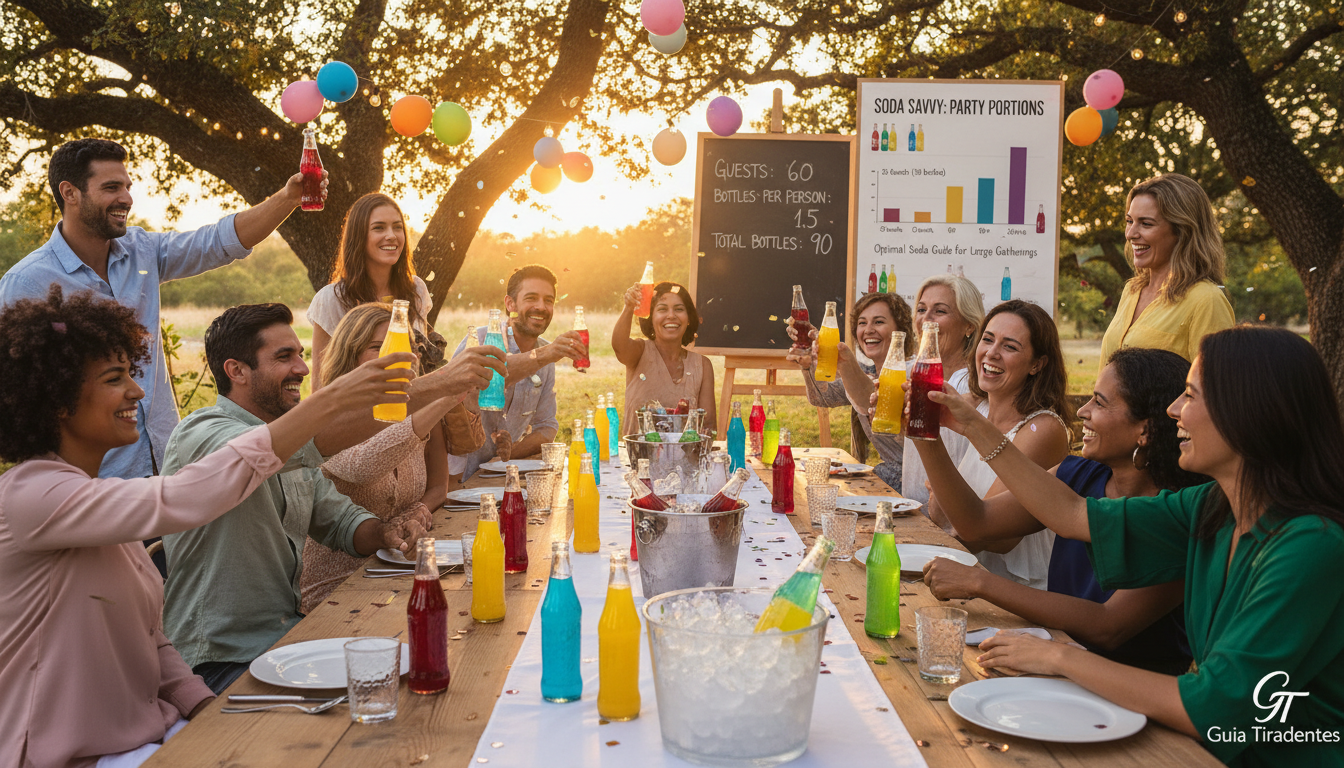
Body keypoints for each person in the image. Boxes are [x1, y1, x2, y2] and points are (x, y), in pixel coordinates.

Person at [0, 286, 411, 768]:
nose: (136, 391)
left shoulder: (95, 499)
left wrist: (203, 709)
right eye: (116, 379)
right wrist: (333, 399)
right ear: (58, 401)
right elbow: (188, 495)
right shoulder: (31, 496)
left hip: (157, 733)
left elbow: (152, 638)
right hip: (76, 755)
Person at [951, 327, 1344, 767]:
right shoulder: (1211, 507)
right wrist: (969, 424)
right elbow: (1072, 515)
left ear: (1250, 411)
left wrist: (1058, 657)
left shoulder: (1312, 546)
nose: (1174, 410)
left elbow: (1211, 707)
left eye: (1191, 397)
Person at [0, 137, 328, 480]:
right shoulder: (27, 283)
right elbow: (15, 395)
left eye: (127, 186)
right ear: (69, 193)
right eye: (111, 187)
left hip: (168, 463)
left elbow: (218, 242)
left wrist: (290, 197)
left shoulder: (142, 250)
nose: (126, 198)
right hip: (89, 481)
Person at [160, 303, 434, 695]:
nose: (303, 369)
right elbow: (274, 451)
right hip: (218, 662)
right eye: (284, 357)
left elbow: (342, 522)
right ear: (236, 371)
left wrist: (387, 532)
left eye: (301, 354)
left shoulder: (287, 438)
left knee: (409, 666)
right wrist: (436, 387)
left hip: (288, 639)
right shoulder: (201, 432)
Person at [921, 348, 1204, 674]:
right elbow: (977, 523)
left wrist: (980, 583)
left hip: (1128, 694)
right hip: (1048, 665)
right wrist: (925, 434)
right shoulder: (1078, 474)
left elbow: (1107, 626)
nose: (1082, 410)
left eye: (1099, 402)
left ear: (1146, 430)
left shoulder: (1176, 513)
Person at [300, 303, 461, 612]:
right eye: (379, 347)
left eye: (408, 348)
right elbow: (364, 465)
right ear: (350, 354)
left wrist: (417, 513)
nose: (399, 358)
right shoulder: (328, 415)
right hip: (336, 590)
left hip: (397, 574)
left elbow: (437, 488)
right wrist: (447, 394)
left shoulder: (410, 411)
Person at [917, 299, 1072, 590]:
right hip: (962, 579)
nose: (992, 352)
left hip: (1019, 596)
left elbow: (990, 538)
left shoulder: (1044, 428)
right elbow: (945, 518)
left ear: (1037, 364)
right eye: (987, 340)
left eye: (1010, 346)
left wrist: (925, 439)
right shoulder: (979, 408)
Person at [448, 264, 584, 481]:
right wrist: (546, 354)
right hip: (457, 478)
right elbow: (487, 378)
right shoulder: (481, 340)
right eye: (531, 298)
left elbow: (547, 426)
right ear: (510, 303)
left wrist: (510, 453)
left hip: (498, 477)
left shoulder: (546, 355)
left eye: (548, 300)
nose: (541, 306)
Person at [1099, 173, 1234, 370]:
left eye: (1146, 224)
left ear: (1182, 231)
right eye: (1130, 221)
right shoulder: (1132, 290)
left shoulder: (1206, 301)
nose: (1130, 234)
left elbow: (1217, 391)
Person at [785, 291, 915, 488]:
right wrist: (808, 364)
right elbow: (823, 397)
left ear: (901, 330)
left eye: (878, 322)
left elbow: (871, 398)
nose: (868, 330)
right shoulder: (870, 373)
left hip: (913, 488)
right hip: (889, 482)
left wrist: (846, 365)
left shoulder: (910, 374)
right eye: (862, 323)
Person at [307, 192, 431, 390]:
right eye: (378, 228)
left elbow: (419, 366)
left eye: (397, 227)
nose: (391, 235)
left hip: (410, 405)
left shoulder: (416, 289)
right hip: (355, 410)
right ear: (358, 236)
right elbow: (320, 387)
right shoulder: (331, 299)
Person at [900, 274, 984, 504]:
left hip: (962, 522)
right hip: (911, 512)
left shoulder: (979, 382)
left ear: (969, 325)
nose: (926, 319)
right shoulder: (910, 372)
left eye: (940, 311)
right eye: (921, 309)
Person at [612, 280, 716, 435]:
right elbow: (619, 347)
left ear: (688, 319)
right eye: (662, 309)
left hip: (685, 457)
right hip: (640, 457)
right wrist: (629, 307)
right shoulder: (639, 352)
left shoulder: (702, 365)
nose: (671, 316)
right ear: (651, 318)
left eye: (679, 309)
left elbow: (708, 425)